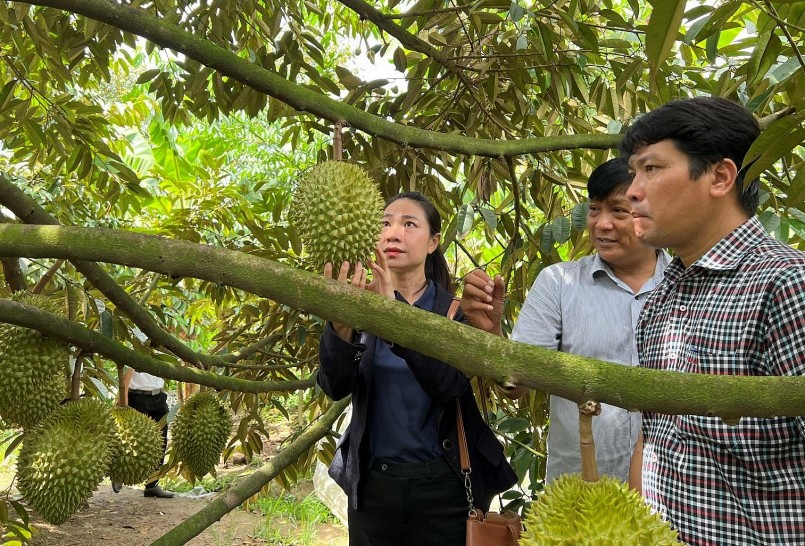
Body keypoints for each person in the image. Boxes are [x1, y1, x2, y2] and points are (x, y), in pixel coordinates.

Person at [621, 96, 805, 545]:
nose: (632, 191)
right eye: (633, 172)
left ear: (720, 176)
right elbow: (655, 437)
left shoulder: (787, 285)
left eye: (651, 168)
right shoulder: (662, 297)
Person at [317, 191, 517, 546]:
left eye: (409, 224)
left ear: (433, 242)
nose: (393, 234)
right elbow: (334, 386)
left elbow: (448, 385)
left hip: (444, 486)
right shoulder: (358, 307)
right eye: (385, 224)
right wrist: (339, 327)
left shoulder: (457, 312)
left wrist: (392, 314)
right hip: (373, 485)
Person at [461, 158, 670, 486]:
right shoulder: (558, 283)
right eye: (594, 209)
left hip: (675, 495)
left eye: (618, 210)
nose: (601, 224)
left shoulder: (688, 285)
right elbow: (517, 384)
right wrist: (492, 336)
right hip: (577, 496)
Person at [117, 369, 174, 498]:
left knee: (161, 441)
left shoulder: (164, 351)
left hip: (158, 397)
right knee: (132, 440)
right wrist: (123, 406)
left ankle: (152, 485)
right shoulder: (136, 349)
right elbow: (125, 379)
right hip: (138, 398)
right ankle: (119, 474)